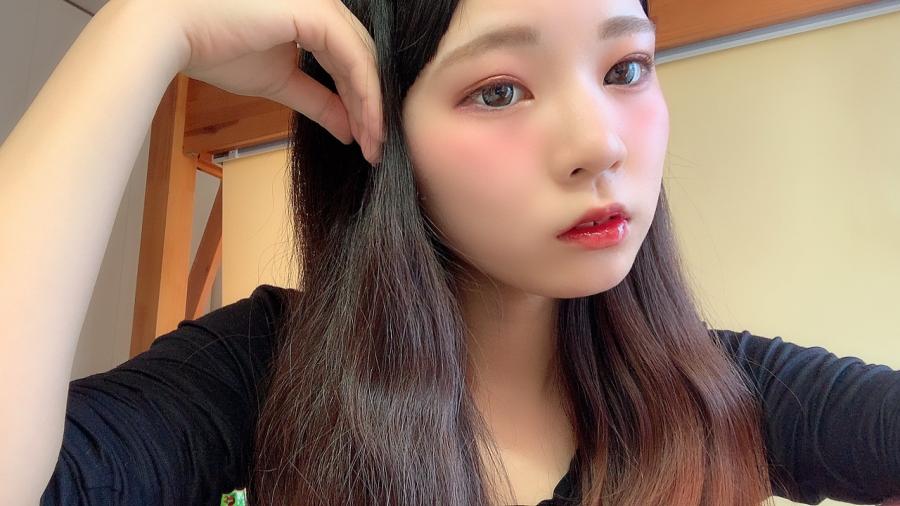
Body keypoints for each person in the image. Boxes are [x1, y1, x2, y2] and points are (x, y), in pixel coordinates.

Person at [0, 0, 897, 504]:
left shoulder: (715, 389)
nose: (600, 143)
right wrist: (144, 28)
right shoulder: (267, 375)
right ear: (374, 125)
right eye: (500, 90)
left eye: (625, 68)